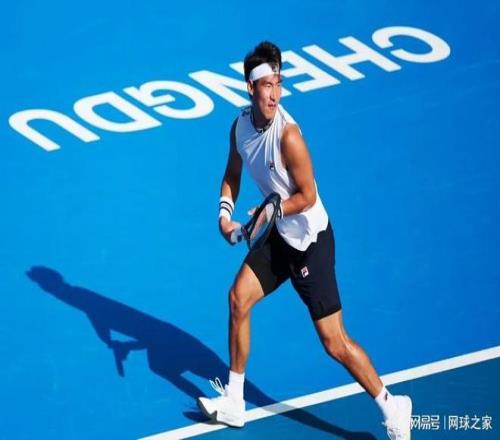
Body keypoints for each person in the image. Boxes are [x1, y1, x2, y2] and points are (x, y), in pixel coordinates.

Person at [197, 41, 413, 440]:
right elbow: (232, 173)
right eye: (267, 85)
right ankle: (235, 401)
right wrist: (225, 216)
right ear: (250, 87)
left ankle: (392, 405)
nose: (275, 94)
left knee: (334, 343)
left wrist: (273, 209)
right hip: (279, 235)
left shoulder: (289, 135)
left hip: (311, 243)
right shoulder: (240, 128)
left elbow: (308, 195)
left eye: (279, 84)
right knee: (238, 299)